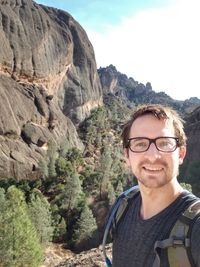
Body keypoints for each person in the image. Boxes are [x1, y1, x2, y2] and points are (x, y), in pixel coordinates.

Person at [107, 104, 200, 267]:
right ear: (127, 155)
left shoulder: (195, 228)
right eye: (140, 143)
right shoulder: (122, 207)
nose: (152, 156)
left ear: (181, 154)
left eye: (164, 143)